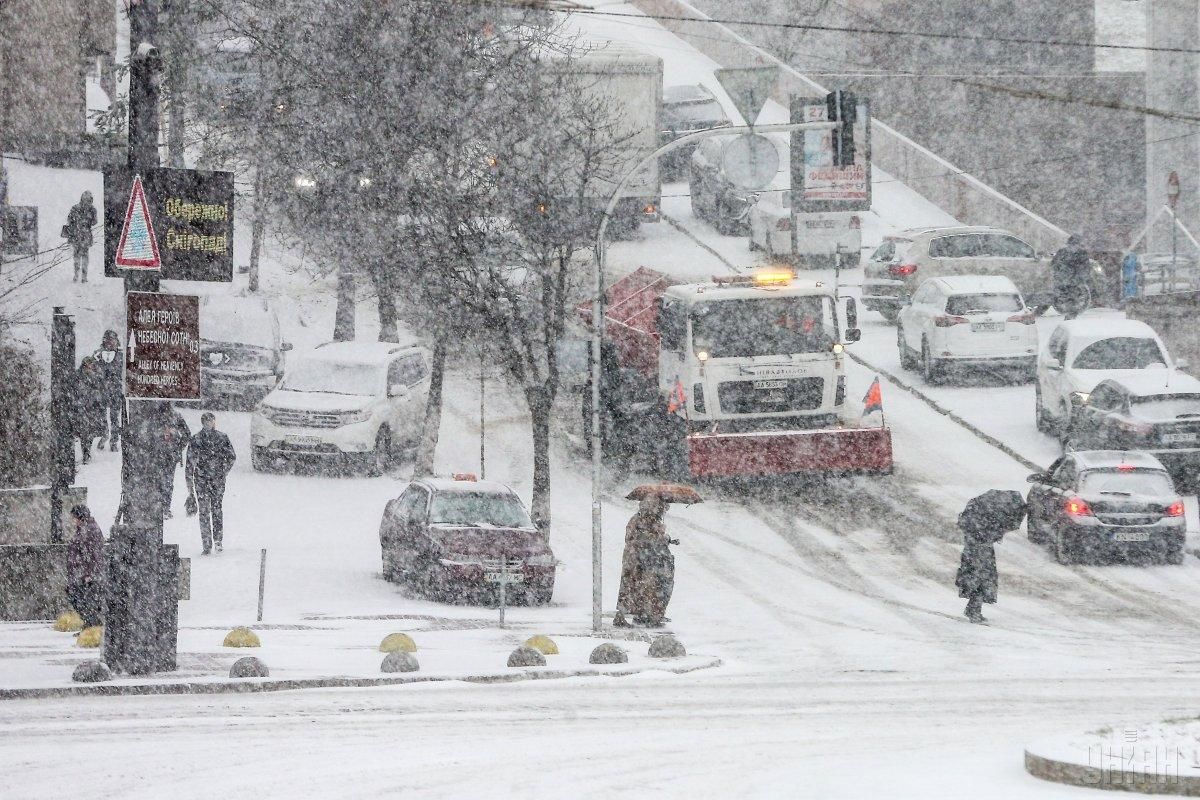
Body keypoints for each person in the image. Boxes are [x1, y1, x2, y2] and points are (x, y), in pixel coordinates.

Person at [615, 494, 678, 627]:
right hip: (638, 559)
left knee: (639, 587)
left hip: (640, 558)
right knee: (633, 587)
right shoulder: (643, 520)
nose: (664, 511)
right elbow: (646, 539)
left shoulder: (646, 519)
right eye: (663, 508)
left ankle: (646, 614)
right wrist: (663, 538)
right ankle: (626, 615)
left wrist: (666, 538)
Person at [186, 412, 236, 554]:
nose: (210, 423)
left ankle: (210, 543)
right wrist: (223, 470)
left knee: (208, 510)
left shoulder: (198, 439)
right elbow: (231, 457)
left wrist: (190, 486)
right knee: (213, 509)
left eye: (210, 421)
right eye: (209, 421)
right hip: (212, 479)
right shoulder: (218, 438)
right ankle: (213, 542)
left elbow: (190, 464)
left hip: (205, 479)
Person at [66, 505, 105, 629]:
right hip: (82, 573)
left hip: (85, 574)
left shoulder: (88, 530)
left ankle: (91, 626)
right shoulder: (84, 529)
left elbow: (93, 554)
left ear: (79, 517)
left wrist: (89, 573)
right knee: (79, 597)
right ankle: (89, 625)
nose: (73, 521)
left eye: (74, 517)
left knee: (82, 599)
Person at [955, 523, 1001, 624]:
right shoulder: (985, 514)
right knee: (981, 578)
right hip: (979, 545)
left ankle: (973, 608)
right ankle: (974, 609)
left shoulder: (977, 512)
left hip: (976, 544)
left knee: (978, 577)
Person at [92, 330, 124, 451]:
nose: (110, 342)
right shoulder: (98, 354)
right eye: (108, 340)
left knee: (115, 417)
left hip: (115, 390)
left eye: (113, 340)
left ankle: (114, 441)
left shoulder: (121, 355)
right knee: (102, 417)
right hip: (101, 390)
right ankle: (104, 436)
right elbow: (91, 370)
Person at [72, 356, 106, 464]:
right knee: (84, 431)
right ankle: (85, 454)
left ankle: (87, 453)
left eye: (91, 364)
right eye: (88, 364)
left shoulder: (96, 376)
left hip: (92, 407)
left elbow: (100, 389)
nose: (90, 366)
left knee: (90, 432)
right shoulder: (78, 375)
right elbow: (76, 390)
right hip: (82, 407)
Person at [1049, 234, 1092, 320]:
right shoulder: (1080, 253)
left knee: (1071, 300)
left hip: (1069, 282)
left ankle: (1070, 316)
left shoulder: (1065, 253)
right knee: (1071, 300)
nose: (1073, 247)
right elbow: (1085, 268)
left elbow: (1054, 265)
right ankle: (1070, 316)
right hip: (1068, 282)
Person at [158, 408, 191, 518]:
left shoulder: (175, 416)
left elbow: (186, 434)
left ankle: (164, 508)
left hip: (168, 455)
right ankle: (162, 508)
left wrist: (178, 448)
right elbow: (186, 434)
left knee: (166, 481)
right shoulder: (159, 415)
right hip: (161, 454)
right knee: (163, 481)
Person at [63, 191, 97, 283]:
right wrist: (87, 220)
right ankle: (84, 277)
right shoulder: (92, 209)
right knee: (85, 255)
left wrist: (77, 222)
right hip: (85, 235)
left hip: (76, 234)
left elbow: (69, 220)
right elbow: (94, 222)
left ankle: (76, 275)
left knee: (77, 255)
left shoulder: (75, 208)